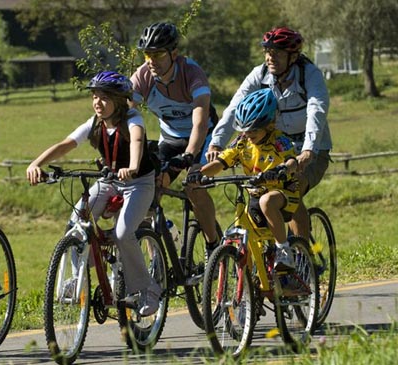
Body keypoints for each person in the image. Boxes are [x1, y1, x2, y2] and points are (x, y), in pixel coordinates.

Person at [26, 71, 162, 316]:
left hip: (139, 182)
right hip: (109, 179)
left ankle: (147, 289)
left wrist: (132, 167)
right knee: (77, 220)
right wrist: (37, 163)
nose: (97, 102)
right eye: (94, 97)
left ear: (119, 100)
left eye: (104, 98)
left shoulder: (132, 118)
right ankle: (78, 278)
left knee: (123, 233)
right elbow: (66, 144)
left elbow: (137, 141)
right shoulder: (95, 123)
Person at [208, 27, 331, 239]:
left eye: (277, 53)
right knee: (265, 196)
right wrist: (217, 143)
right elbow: (235, 107)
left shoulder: (309, 75)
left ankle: (302, 258)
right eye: (267, 51)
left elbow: (316, 110)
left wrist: (309, 149)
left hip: (310, 148)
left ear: (292, 57)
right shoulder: (260, 74)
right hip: (275, 148)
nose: (270, 57)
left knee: (294, 189)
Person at [130, 21, 220, 258]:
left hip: (201, 137)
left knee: (194, 185)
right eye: (147, 54)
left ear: (173, 53)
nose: (151, 60)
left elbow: (199, 122)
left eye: (158, 54)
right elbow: (124, 114)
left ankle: (213, 244)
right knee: (150, 187)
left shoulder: (192, 73)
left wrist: (190, 155)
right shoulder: (143, 76)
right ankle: (156, 259)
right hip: (170, 138)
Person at [198, 89, 300, 270]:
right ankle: (251, 281)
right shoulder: (242, 141)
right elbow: (221, 162)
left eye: (253, 129)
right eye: (244, 129)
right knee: (249, 229)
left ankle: (284, 251)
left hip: (283, 193)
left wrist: (282, 169)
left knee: (266, 201)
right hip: (255, 195)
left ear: (269, 124)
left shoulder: (279, 140)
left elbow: (292, 161)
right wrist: (200, 174)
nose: (248, 133)